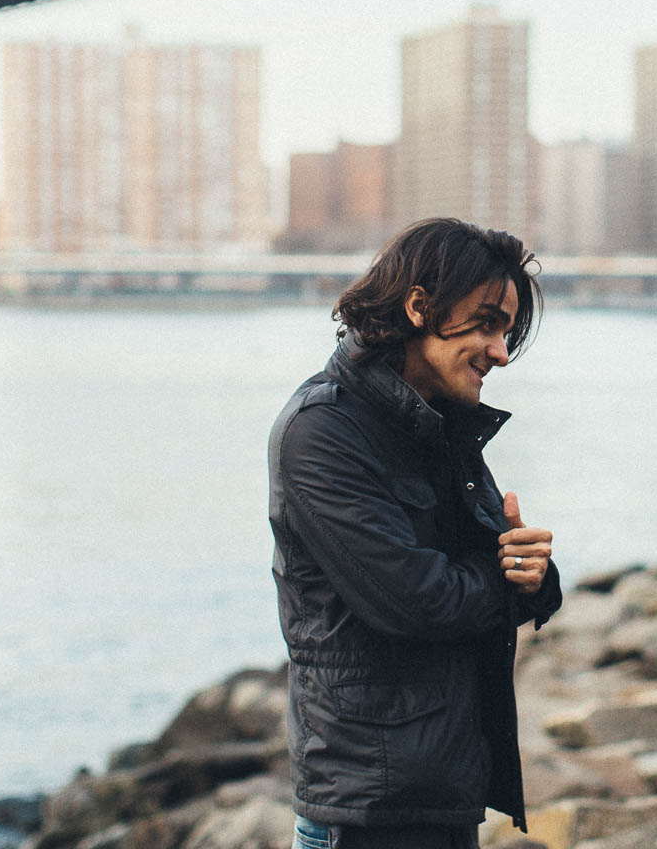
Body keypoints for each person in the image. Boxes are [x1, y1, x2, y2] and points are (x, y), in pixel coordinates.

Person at [267, 218, 563, 849]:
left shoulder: (439, 423)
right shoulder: (321, 433)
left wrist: (534, 571)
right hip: (366, 810)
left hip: (442, 793)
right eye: (486, 323)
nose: (501, 352)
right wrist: (507, 577)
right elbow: (419, 600)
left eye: (506, 331)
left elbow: (488, 565)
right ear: (418, 306)